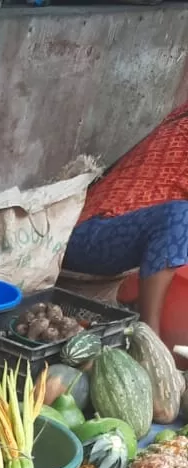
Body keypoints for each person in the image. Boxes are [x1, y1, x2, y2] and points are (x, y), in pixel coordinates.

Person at [63, 102, 188, 335]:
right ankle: (150, 338)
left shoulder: (180, 115)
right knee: (181, 217)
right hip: (88, 234)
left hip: (107, 231)